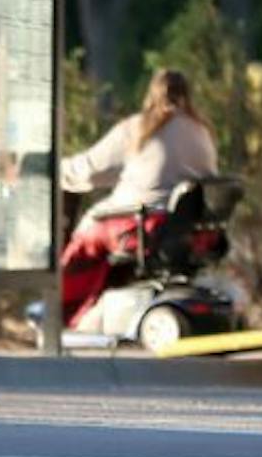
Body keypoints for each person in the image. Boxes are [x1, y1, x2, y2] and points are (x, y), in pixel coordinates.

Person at [57, 69, 219, 326]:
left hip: (142, 225)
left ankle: (63, 311)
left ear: (150, 94)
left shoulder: (138, 128)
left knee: (86, 239)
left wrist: (54, 169)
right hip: (186, 228)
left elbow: (89, 169)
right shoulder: (202, 132)